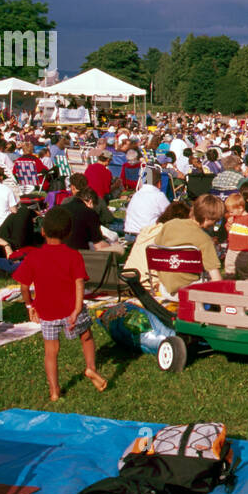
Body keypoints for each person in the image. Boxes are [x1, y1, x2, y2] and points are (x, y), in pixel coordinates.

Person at [13, 205, 108, 402]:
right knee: (87, 337)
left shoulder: (34, 257)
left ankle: (54, 391)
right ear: (68, 233)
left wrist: (30, 305)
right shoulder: (73, 255)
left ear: (43, 231)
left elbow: (23, 286)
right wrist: (77, 309)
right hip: (71, 309)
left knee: (51, 351)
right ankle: (90, 369)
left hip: (47, 311)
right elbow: (79, 283)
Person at [153, 193, 224, 293]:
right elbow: (216, 277)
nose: (215, 224)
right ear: (207, 218)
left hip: (164, 287)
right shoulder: (204, 239)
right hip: (189, 291)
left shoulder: (170, 224)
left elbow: (155, 247)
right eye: (216, 221)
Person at [222, 190, 248, 280]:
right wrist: (228, 225)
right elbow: (229, 230)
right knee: (229, 265)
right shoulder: (233, 218)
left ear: (240, 208)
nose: (229, 214)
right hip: (232, 248)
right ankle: (229, 282)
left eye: (231, 212)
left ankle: (246, 283)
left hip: (244, 249)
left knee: (244, 267)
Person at [123, 167, 170, 236]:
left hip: (129, 233)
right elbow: (171, 214)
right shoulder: (158, 195)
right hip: (146, 235)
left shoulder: (137, 194)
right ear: (159, 183)